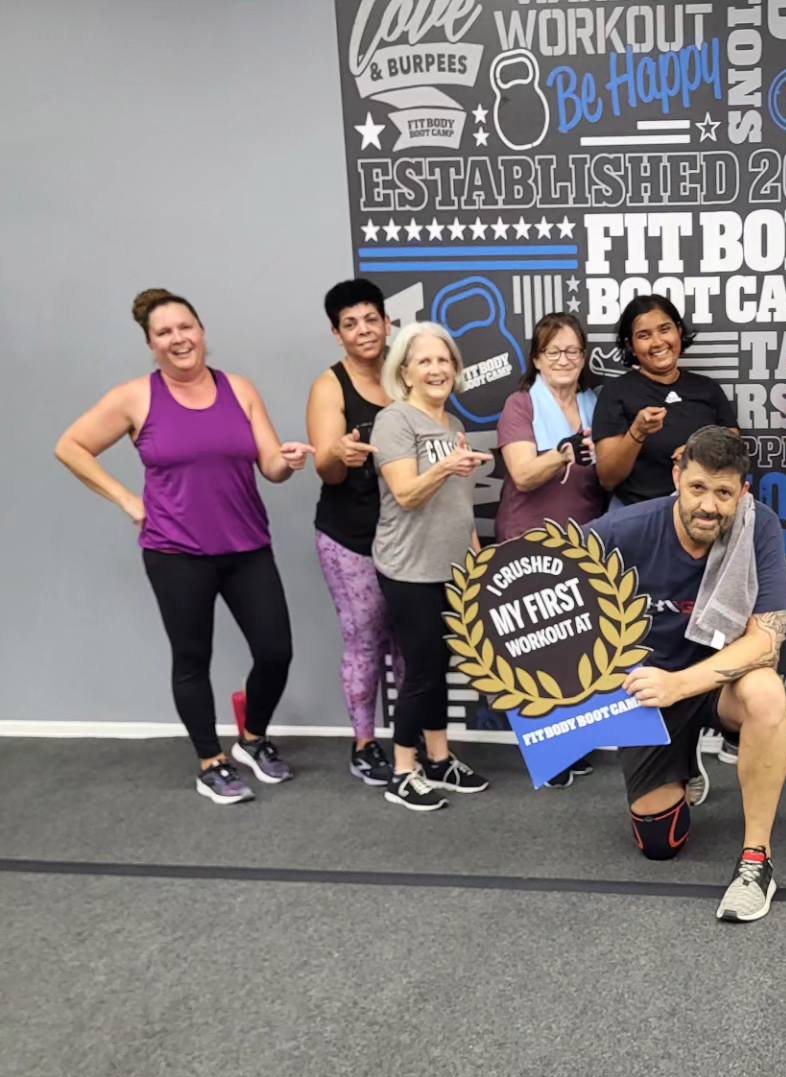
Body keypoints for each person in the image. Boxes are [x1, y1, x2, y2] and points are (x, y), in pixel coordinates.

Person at [55, 288, 313, 804]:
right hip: (175, 552)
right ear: (151, 344)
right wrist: (128, 500)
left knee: (275, 651)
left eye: (185, 327)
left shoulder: (239, 388)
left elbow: (270, 467)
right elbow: (71, 446)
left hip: (246, 546)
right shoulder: (136, 397)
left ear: (202, 331)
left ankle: (252, 739)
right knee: (193, 658)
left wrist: (288, 462)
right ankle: (210, 762)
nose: (178, 339)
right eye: (164, 332)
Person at [585, 426, 786, 922]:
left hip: (716, 684)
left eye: (723, 493)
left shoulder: (757, 525)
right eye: (698, 487)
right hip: (648, 691)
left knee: (766, 691)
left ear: (742, 492)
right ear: (677, 477)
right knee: (660, 843)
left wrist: (680, 684)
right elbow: (549, 587)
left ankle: (756, 861)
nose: (708, 506)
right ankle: (682, 760)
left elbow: (767, 640)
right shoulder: (622, 530)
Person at [371, 321, 492, 812]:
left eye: (444, 360)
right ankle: (403, 770)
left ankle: (439, 759)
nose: (437, 369)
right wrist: (444, 467)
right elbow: (406, 494)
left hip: (452, 569)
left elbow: (460, 509)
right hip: (409, 569)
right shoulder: (395, 420)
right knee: (422, 670)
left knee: (439, 667)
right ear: (405, 371)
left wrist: (477, 560)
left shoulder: (453, 426)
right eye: (425, 361)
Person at [497, 312, 607, 788]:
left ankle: (571, 740)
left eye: (573, 351)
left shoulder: (597, 402)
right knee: (537, 646)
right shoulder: (520, 405)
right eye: (553, 351)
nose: (564, 359)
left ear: (584, 357)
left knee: (576, 643)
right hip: (529, 537)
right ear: (537, 359)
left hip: (585, 536)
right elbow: (523, 474)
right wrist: (563, 453)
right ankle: (548, 749)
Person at [305, 277, 401, 787]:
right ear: (336, 333)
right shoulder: (330, 386)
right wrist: (337, 454)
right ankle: (364, 745)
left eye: (370, 319)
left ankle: (411, 742)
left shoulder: (405, 374)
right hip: (351, 536)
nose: (363, 330)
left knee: (411, 644)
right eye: (350, 323)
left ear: (387, 323)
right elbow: (327, 471)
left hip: (407, 537)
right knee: (365, 641)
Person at [591, 294, 738, 506]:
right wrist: (637, 432)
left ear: (679, 332)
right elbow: (608, 478)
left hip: (705, 509)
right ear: (631, 345)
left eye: (665, 329)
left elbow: (735, 448)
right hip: (638, 511)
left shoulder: (707, 388)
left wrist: (699, 451)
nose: (658, 342)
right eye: (644, 335)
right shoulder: (615, 392)